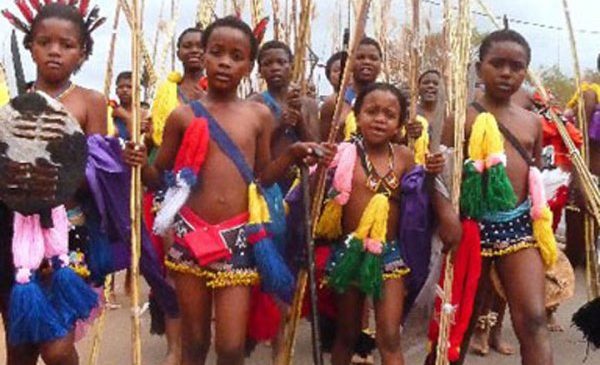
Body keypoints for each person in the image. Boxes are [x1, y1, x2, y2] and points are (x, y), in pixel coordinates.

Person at [124, 16, 329, 365]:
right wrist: (141, 163)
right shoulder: (182, 117)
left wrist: (294, 154)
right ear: (202, 56)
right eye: (216, 52)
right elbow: (161, 179)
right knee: (195, 341)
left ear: (249, 66)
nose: (225, 62)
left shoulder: (258, 116)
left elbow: (262, 177)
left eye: (236, 56)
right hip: (190, 238)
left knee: (232, 347)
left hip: (237, 239)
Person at [0, 2, 107, 365]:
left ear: (82, 52)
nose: (55, 51)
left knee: (58, 349)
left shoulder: (91, 102)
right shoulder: (10, 102)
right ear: (30, 46)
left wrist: (124, 161)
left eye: (67, 44)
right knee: (21, 347)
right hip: (12, 234)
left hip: (67, 234)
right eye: (45, 42)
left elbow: (95, 169)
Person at [443, 28, 555, 365]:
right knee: (457, 325)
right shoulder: (460, 118)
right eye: (497, 64)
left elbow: (533, 175)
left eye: (516, 67)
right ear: (480, 69)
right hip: (470, 230)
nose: (507, 73)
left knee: (533, 320)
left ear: (526, 72)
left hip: (518, 229)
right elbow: (441, 180)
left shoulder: (533, 123)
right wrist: (449, 220)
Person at [312, 82, 440, 365]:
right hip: (349, 252)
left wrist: (431, 173)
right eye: (371, 111)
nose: (380, 118)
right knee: (346, 333)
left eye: (389, 114)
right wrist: (319, 164)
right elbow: (313, 196)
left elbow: (420, 203)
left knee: (390, 336)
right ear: (357, 116)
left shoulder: (405, 157)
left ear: (398, 124)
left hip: (389, 255)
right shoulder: (343, 154)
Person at [251, 40, 320, 192]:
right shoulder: (255, 103)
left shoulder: (309, 105)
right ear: (260, 71)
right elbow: (253, 149)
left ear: (292, 66)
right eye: (268, 64)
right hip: (269, 181)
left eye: (281, 62)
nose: (275, 68)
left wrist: (299, 117)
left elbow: (315, 147)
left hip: (301, 182)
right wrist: (281, 124)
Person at [151, 26, 206, 148]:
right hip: (170, 161)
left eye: (200, 46)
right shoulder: (166, 92)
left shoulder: (217, 91)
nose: (194, 50)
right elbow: (156, 136)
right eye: (187, 46)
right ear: (179, 54)